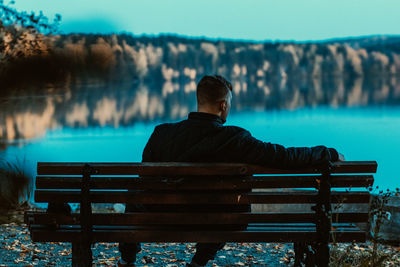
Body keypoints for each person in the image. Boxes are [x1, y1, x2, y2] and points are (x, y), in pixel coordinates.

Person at [118, 75, 344, 267]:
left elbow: (145, 180)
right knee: (227, 206)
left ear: (199, 100)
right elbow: (282, 156)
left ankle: (127, 261)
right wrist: (328, 153)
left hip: (162, 218)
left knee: (134, 195)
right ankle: (198, 262)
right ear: (223, 105)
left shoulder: (162, 133)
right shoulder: (235, 138)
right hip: (220, 220)